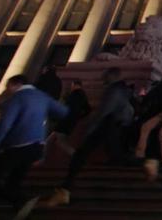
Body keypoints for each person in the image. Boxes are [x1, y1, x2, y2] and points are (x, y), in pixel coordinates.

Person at [0, 74, 68, 219]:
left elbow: (4, 126)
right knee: (14, 182)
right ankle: (23, 208)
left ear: (15, 84)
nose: (7, 90)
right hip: (37, 147)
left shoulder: (16, 98)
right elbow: (63, 112)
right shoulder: (41, 96)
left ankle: (24, 201)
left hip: (17, 146)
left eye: (8, 87)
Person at [40, 67, 134, 208]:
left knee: (84, 154)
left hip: (105, 125)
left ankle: (64, 191)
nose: (103, 79)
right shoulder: (123, 90)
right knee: (113, 156)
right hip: (111, 126)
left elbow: (103, 112)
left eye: (105, 77)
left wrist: (90, 128)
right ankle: (64, 190)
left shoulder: (115, 90)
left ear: (111, 77)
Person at [45, 80, 90, 160]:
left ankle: (76, 155)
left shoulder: (72, 95)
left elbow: (65, 108)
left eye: (72, 85)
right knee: (52, 138)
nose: (71, 87)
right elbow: (88, 109)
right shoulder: (83, 95)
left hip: (65, 120)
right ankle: (40, 155)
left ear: (74, 85)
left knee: (59, 141)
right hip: (71, 121)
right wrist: (78, 117)